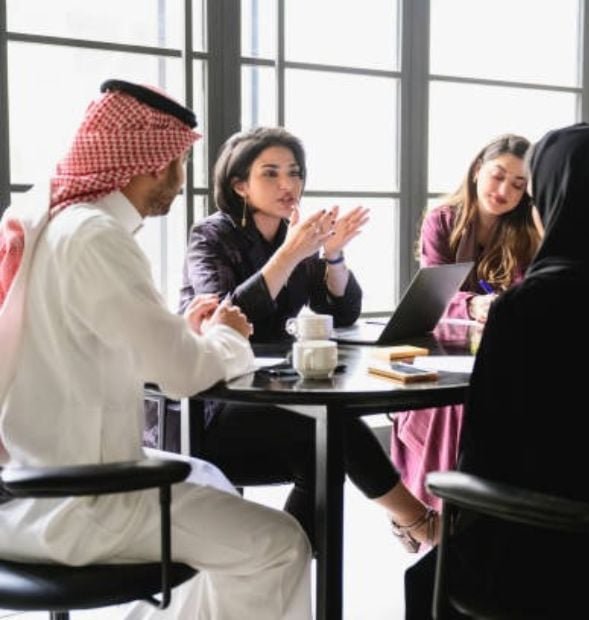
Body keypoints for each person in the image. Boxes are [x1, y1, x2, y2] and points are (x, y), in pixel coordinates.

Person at [0, 80, 312, 618]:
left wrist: (179, 332)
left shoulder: (52, 224)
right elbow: (184, 376)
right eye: (180, 162)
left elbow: (89, 348)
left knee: (211, 484)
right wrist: (227, 334)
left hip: (27, 488)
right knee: (280, 545)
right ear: (153, 162)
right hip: (80, 503)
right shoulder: (96, 236)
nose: (181, 180)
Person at [405, 123, 589, 618]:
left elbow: (484, 453)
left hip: (548, 552)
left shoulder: (527, 308)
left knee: (424, 579)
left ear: (554, 202)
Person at [179, 125, 438, 551]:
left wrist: (332, 255)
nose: (288, 184)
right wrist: (293, 253)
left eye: (294, 172)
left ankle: (284, 565)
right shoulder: (211, 235)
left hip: (270, 393)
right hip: (211, 405)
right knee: (330, 430)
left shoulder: (291, 235)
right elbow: (224, 315)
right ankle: (419, 521)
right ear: (240, 185)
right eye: (271, 173)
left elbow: (341, 311)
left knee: (326, 447)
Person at [390, 133, 541, 511]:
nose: (504, 190)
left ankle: (487, 507)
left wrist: (504, 306)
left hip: (498, 346)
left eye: (518, 184)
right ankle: (436, 508)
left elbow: (527, 292)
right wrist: (474, 305)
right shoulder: (443, 220)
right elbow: (435, 292)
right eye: (498, 175)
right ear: (477, 170)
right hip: (443, 345)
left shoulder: (527, 230)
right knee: (453, 400)